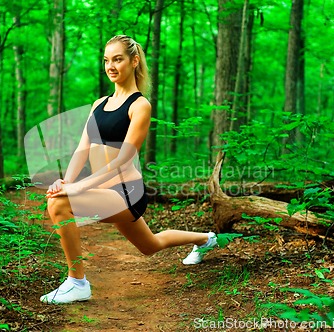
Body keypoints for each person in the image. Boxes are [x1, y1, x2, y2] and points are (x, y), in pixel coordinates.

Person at [40, 35, 218, 304]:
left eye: (118, 59)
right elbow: (82, 149)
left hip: (126, 192)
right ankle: (206, 238)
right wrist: (67, 181)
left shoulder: (139, 105)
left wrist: (78, 188)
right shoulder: (98, 104)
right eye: (106, 60)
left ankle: (77, 283)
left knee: (59, 205)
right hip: (104, 190)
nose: (111, 66)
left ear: (134, 61)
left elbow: (123, 160)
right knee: (151, 245)